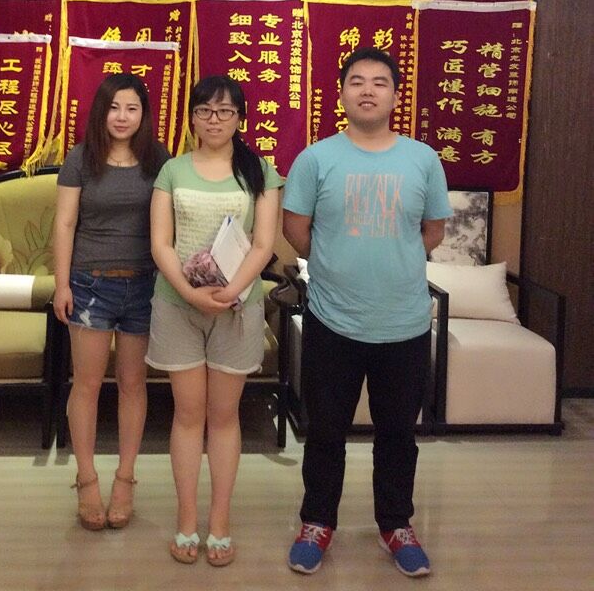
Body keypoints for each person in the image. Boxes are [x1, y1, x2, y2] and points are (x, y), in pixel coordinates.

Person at [283, 47, 452, 578]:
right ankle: (317, 522)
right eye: (356, 81)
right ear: (341, 94)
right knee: (325, 431)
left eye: (380, 82)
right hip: (332, 320)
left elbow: (432, 231)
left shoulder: (422, 159)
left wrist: (391, 262)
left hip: (404, 323)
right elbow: (296, 230)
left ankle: (396, 525)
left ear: (396, 96)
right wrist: (338, 266)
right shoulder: (315, 159)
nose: (368, 90)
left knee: (398, 434)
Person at [147, 75, 282, 567]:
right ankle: (187, 519)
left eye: (226, 111)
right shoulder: (172, 170)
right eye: (205, 111)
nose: (215, 120)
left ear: (241, 118)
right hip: (177, 304)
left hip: (236, 307)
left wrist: (230, 291)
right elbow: (161, 242)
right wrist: (189, 293)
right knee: (187, 415)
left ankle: (219, 521)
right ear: (192, 118)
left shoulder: (259, 171)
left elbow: (264, 244)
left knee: (224, 417)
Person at [53, 72, 169, 531]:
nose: (122, 117)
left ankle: (125, 479)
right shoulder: (81, 158)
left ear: (144, 115)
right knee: (86, 384)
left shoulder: (159, 159)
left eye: (132, 108)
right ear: (101, 112)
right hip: (89, 284)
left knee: (133, 384)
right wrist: (62, 285)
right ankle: (86, 480)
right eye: (114, 107)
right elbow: (65, 224)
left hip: (144, 286)